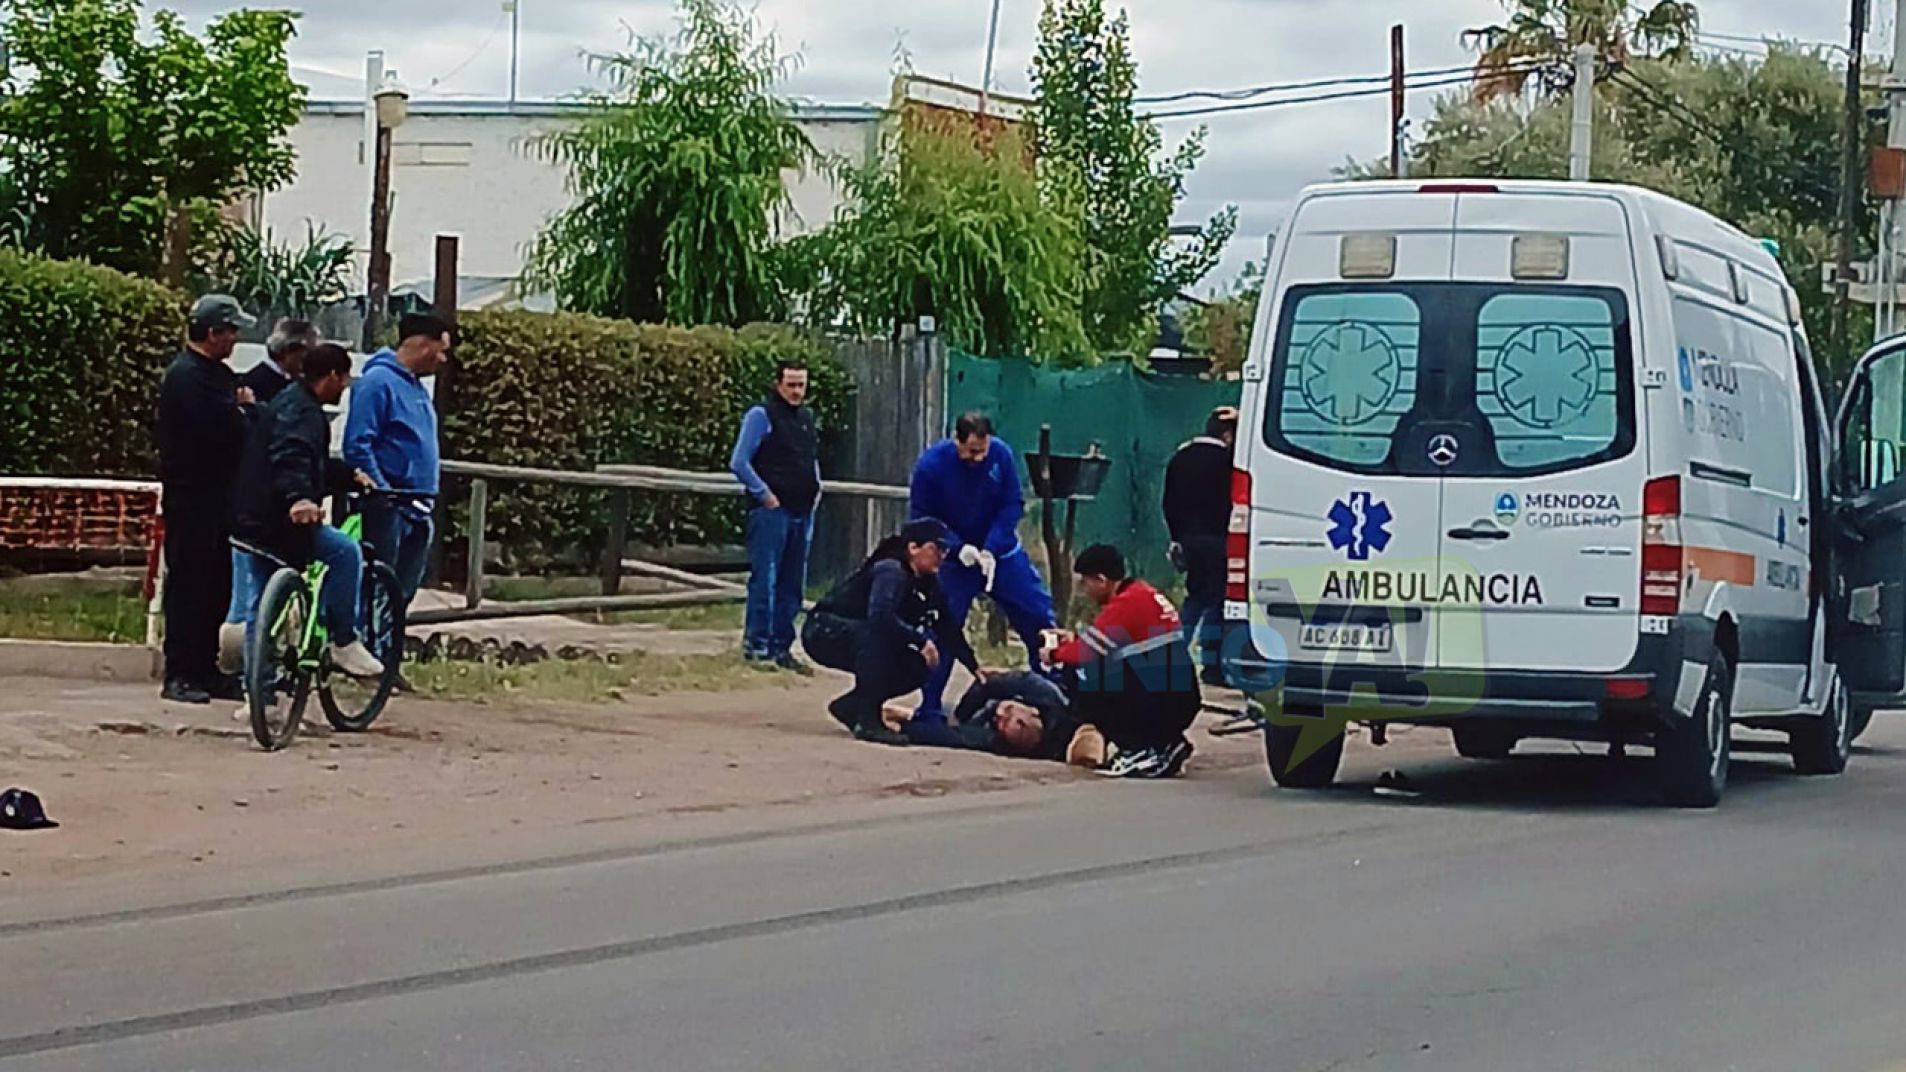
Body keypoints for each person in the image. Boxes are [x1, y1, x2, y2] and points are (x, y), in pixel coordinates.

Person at [232, 344, 385, 679]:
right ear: (331, 375)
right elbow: (292, 455)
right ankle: (343, 640)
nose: (344, 388)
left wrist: (346, 474)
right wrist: (299, 499)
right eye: (344, 379)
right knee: (345, 552)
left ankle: (256, 692)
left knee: (261, 603)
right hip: (279, 519)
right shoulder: (304, 412)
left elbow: (306, 460)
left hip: (251, 517)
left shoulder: (288, 401)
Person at [907, 411, 1056, 723]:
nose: (978, 458)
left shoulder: (1000, 455)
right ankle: (930, 707)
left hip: (1001, 555)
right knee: (943, 630)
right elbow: (921, 517)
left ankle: (1055, 698)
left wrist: (992, 547)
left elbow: (1012, 503)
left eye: (983, 450)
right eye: (972, 451)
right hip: (955, 562)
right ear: (956, 441)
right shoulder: (931, 467)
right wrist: (957, 548)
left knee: (1039, 617)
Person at [156, 294, 258, 704]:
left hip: (221, 498)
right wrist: (242, 415)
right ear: (213, 332)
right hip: (191, 498)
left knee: (217, 585)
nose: (234, 339)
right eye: (231, 331)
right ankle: (180, 670)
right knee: (189, 585)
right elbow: (223, 429)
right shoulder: (185, 377)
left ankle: (206, 666)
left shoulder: (217, 375)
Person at [801, 518, 981, 745]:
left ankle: (852, 706)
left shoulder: (928, 583)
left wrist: (976, 667)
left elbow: (947, 626)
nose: (942, 556)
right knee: (878, 636)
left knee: (918, 664)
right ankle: (868, 720)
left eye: (945, 550)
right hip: (822, 630)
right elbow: (881, 616)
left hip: (860, 634)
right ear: (913, 547)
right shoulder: (891, 570)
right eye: (936, 549)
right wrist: (921, 641)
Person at [1046, 544, 1201, 779]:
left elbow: (1086, 654)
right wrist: (1074, 642)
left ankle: (1138, 747)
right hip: (1178, 697)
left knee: (1083, 679)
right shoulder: (1145, 593)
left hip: (1162, 701)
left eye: (1085, 582)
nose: (1083, 590)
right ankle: (1166, 743)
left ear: (1101, 580)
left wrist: (1053, 654)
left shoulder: (1127, 603)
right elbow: (1104, 643)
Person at [219, 319, 321, 674]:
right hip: (261, 505)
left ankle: (252, 670)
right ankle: (246, 667)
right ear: (291, 353)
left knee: (255, 593)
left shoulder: (285, 391)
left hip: (259, 504)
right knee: (251, 592)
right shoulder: (263, 388)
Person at [343, 312, 449, 612]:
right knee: (377, 587)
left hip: (418, 506)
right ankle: (364, 644)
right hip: (391, 506)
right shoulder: (377, 383)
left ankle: (387, 648)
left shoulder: (417, 388)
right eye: (441, 350)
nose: (442, 359)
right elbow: (358, 443)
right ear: (423, 344)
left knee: (400, 594)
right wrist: (383, 491)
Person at [728, 359, 822, 671]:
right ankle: (757, 646)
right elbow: (740, 461)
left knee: (792, 585)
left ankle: (782, 647)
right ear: (778, 384)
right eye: (791, 385)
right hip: (772, 512)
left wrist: (816, 488)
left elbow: (809, 458)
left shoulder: (806, 418)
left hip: (801, 510)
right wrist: (764, 495)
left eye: (801, 385)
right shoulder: (761, 416)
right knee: (765, 580)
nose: (797, 391)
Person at [1164, 405, 1239, 687]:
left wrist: (1177, 537)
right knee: (1217, 602)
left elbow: (1168, 501)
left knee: (1195, 597)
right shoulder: (1228, 461)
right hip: (1218, 539)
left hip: (1188, 538)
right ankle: (1212, 666)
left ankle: (1174, 659)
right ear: (1228, 435)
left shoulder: (1180, 458)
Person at [897, 670, 1088, 763]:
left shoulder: (993, 739)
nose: (1002, 713)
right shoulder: (1042, 693)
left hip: (981, 723)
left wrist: (904, 728)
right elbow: (987, 681)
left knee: (951, 731)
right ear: (1032, 710)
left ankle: (907, 715)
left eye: (1007, 721)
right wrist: (961, 715)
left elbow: (953, 738)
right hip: (978, 702)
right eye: (1011, 711)